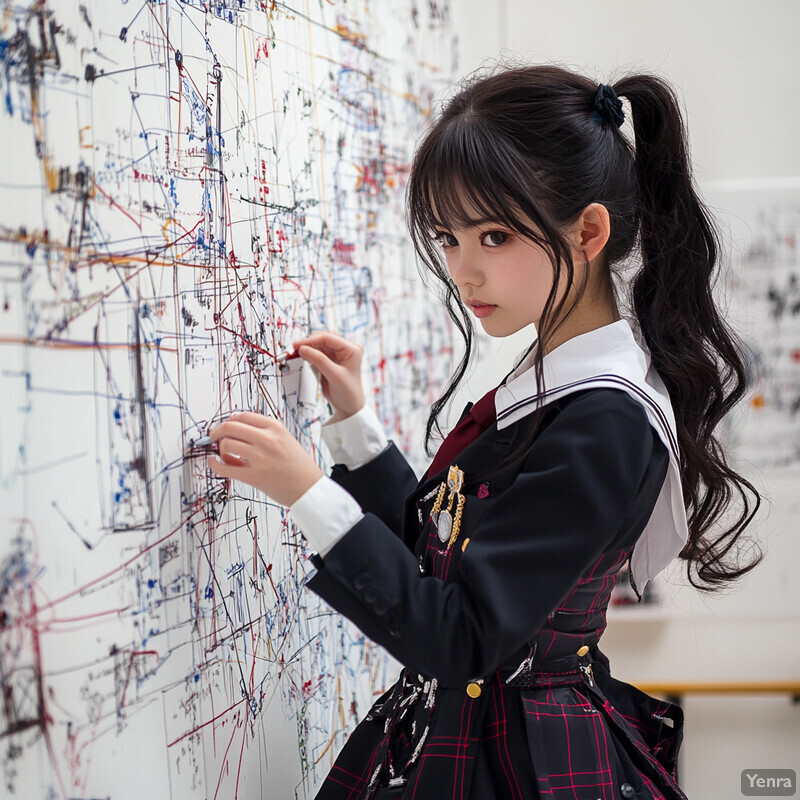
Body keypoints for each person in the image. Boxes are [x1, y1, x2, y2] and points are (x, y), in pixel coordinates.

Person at [207, 65, 762, 799]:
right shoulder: (559, 378)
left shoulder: (607, 415)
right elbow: (447, 557)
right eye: (448, 237)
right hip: (481, 741)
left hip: (511, 766)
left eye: (492, 236)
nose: (463, 271)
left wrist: (308, 493)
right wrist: (356, 432)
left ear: (589, 231)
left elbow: (461, 635)